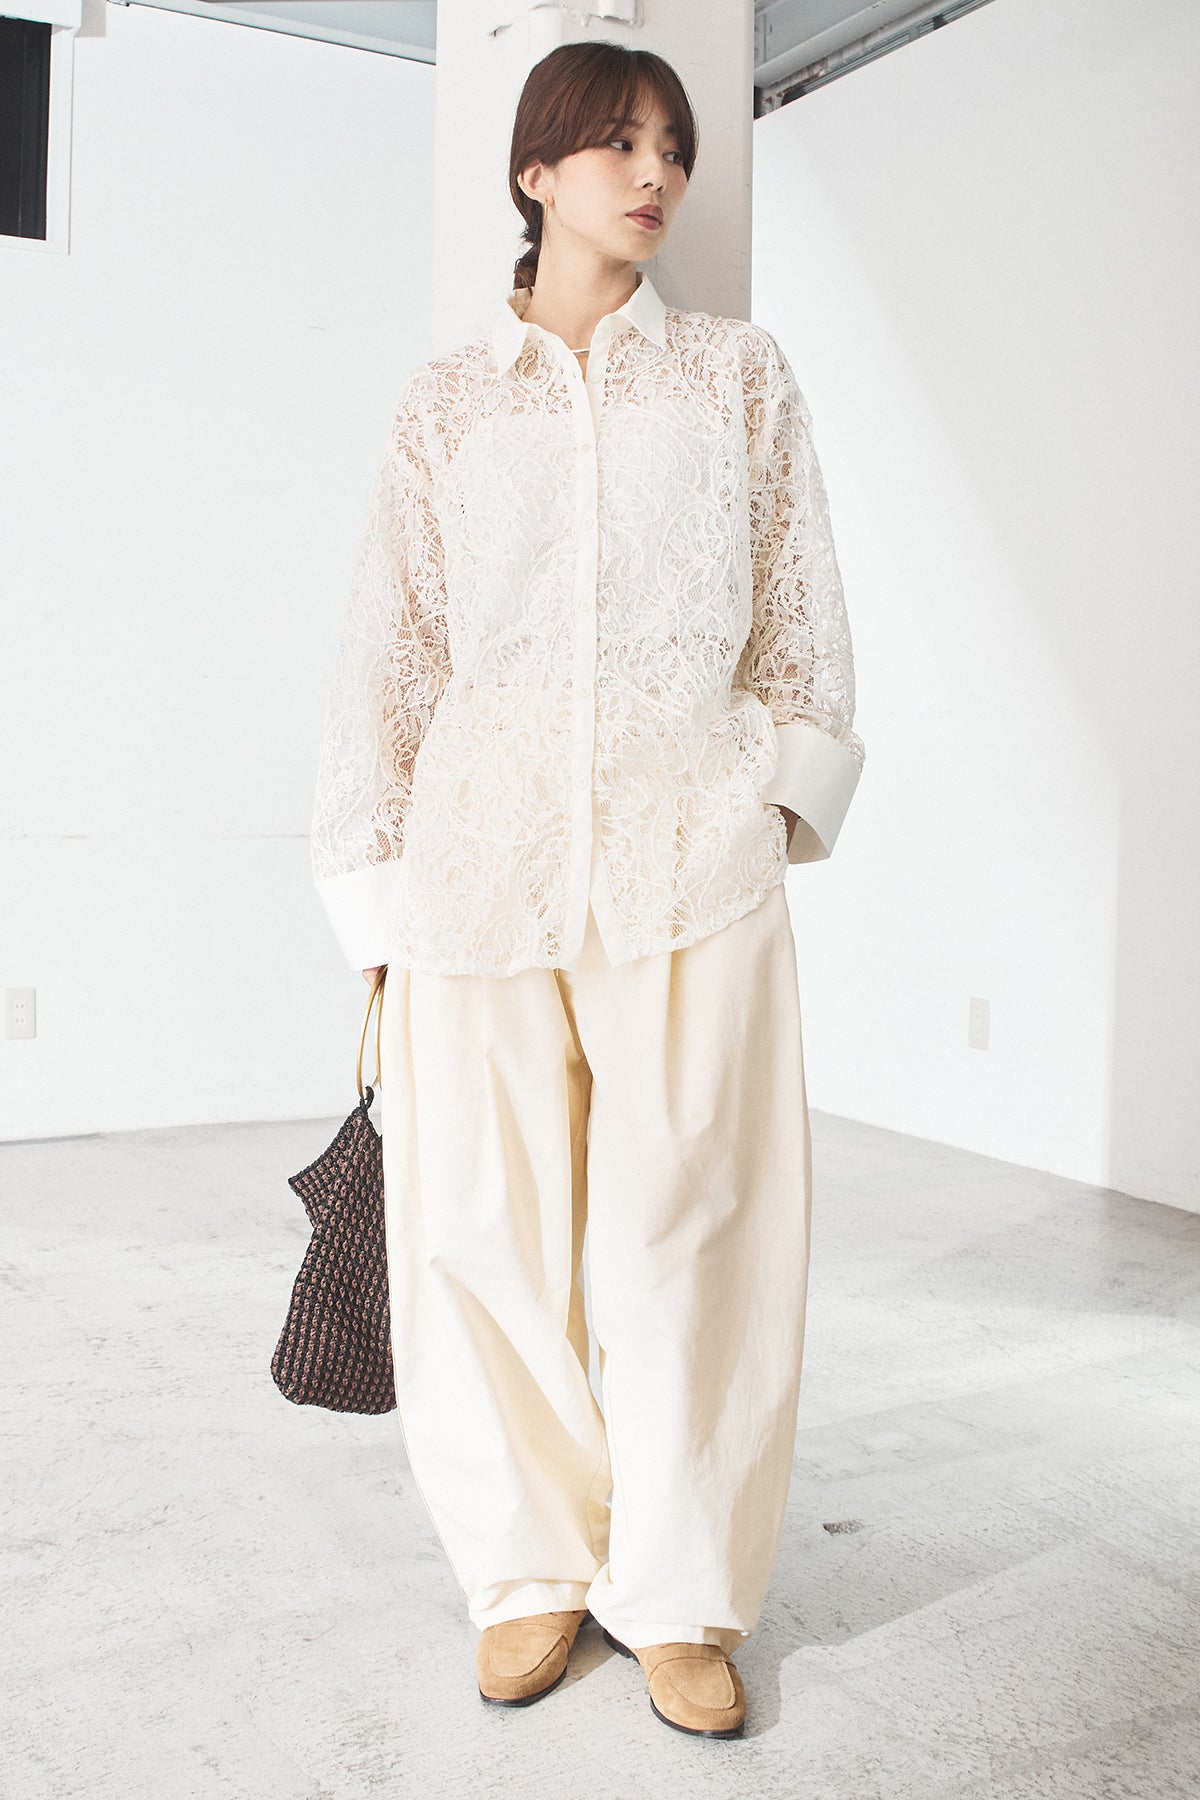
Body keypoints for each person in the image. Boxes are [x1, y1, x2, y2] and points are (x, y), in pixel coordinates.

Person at [309, 40, 864, 1741]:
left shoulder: (737, 378)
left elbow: (803, 602)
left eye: (672, 147)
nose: (654, 174)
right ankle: (527, 1572)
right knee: (481, 1235)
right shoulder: (446, 405)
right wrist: (375, 895)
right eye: (616, 143)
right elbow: (392, 650)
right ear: (535, 172)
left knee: (692, 1231)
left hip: (691, 863)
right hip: (477, 870)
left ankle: (681, 1590)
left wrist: (773, 802)